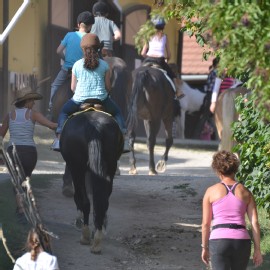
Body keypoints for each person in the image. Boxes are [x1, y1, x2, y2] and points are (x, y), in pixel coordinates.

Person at [51, 33, 129, 153]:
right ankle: (125, 140)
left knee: (64, 112)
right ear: (98, 48)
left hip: (79, 100)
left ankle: (58, 139)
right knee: (118, 112)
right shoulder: (105, 65)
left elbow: (72, 88)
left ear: (83, 49)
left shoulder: (76, 65)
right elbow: (108, 87)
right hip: (101, 100)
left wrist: (81, 93)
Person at [201, 150, 263, 270]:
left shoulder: (210, 191)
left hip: (219, 241)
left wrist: (204, 247)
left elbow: (205, 224)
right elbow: (255, 223)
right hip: (241, 241)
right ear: (235, 169)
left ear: (218, 170)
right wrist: (257, 250)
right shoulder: (246, 192)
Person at [0, 86, 57, 178]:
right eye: (32, 100)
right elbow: (52, 125)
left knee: (16, 181)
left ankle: (17, 191)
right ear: (27, 101)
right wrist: (65, 123)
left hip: (12, 151)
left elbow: (0, 135)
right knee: (26, 180)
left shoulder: (9, 115)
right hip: (28, 152)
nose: (34, 103)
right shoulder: (33, 114)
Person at [48, 11, 95, 113]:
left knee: (55, 86)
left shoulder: (69, 35)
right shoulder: (89, 38)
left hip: (66, 69)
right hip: (82, 72)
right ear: (90, 26)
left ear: (78, 24)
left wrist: (66, 59)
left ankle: (50, 108)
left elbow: (58, 51)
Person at [140, 15, 185, 99]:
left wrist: (148, 56)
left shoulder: (148, 36)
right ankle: (178, 91)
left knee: (140, 72)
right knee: (172, 76)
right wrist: (166, 59)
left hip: (148, 59)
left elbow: (143, 53)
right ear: (163, 27)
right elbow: (169, 54)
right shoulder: (165, 37)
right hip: (159, 60)